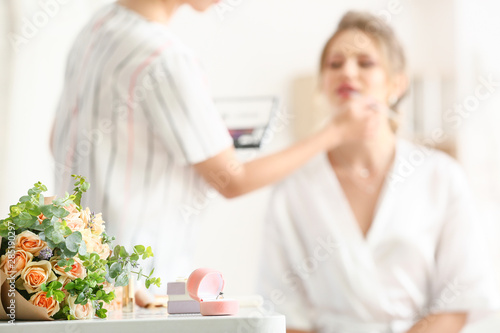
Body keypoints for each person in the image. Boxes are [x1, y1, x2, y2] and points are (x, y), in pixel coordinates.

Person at [50, 0, 375, 296]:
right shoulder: (166, 58)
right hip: (139, 286)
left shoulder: (95, 29)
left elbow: (58, 141)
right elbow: (232, 180)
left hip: (74, 275)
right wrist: (335, 132)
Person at [259, 11, 500, 333]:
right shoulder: (293, 189)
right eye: (335, 63)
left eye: (365, 62)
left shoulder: (440, 177)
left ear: (397, 83)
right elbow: (283, 311)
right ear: (322, 85)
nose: (348, 70)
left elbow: (459, 302)